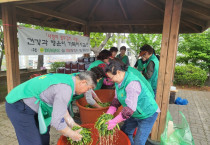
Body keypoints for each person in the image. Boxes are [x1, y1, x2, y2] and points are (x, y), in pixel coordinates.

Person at [5, 71, 97, 145]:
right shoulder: (65, 89)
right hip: (19, 105)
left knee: (43, 137)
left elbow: (61, 106)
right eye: (88, 88)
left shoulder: (70, 79)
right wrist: (71, 134)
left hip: (34, 105)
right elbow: (56, 122)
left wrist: (72, 124)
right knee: (32, 141)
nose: (86, 92)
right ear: (83, 82)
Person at [105, 58, 159, 145]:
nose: (111, 80)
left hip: (147, 114)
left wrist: (114, 121)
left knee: (139, 141)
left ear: (118, 72)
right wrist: (109, 113)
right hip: (135, 112)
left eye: (111, 77)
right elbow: (117, 99)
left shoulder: (132, 83)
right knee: (125, 132)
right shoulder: (118, 81)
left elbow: (129, 110)